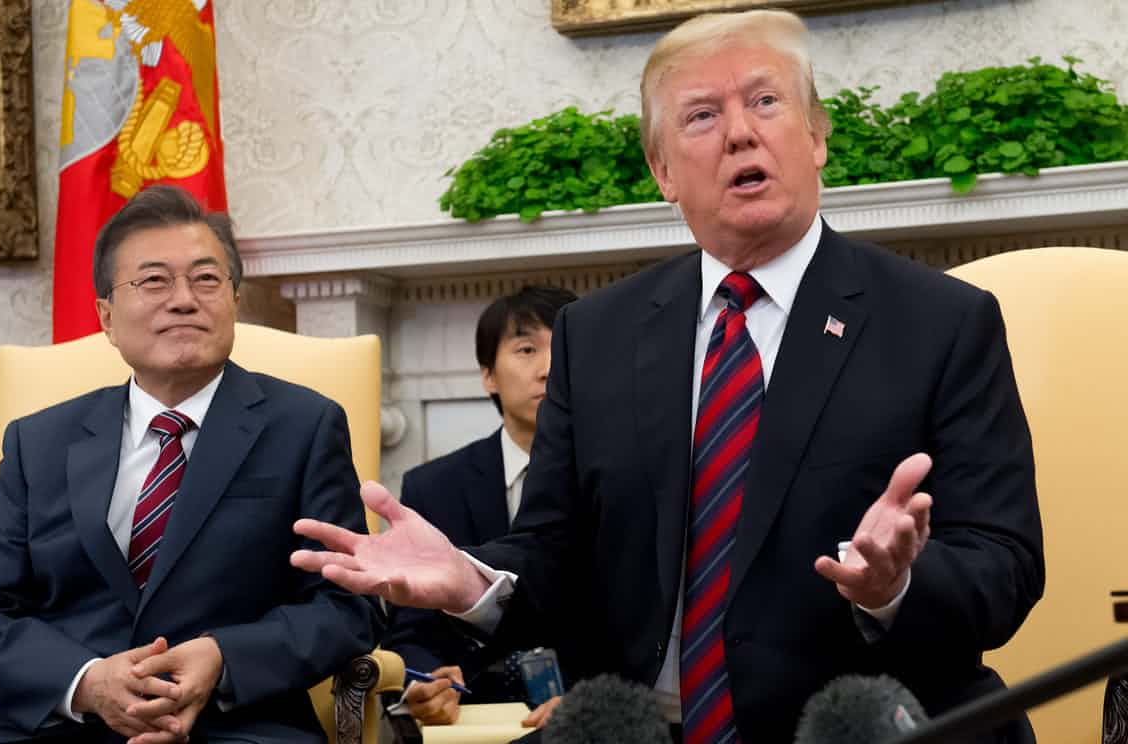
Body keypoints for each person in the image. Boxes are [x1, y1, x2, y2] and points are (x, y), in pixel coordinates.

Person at [291, 10, 1044, 744]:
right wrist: (471, 580)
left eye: (765, 100)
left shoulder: (941, 322)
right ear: (662, 172)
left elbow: (1004, 565)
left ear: (816, 137)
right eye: (702, 116)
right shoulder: (598, 334)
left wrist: (895, 588)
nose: (741, 131)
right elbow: (555, 554)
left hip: (863, 725)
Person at [0, 185, 382, 744]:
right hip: (63, 724)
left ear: (235, 302)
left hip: (236, 723)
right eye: (153, 281)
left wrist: (223, 657)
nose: (183, 299)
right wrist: (85, 682)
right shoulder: (39, 441)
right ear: (106, 315)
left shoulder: (305, 425)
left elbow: (349, 607)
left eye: (206, 279)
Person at [383, 285, 576, 728]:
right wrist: (423, 682)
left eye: (563, 348)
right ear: (488, 373)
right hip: (469, 718)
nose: (547, 369)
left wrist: (593, 698)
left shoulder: (624, 479)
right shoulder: (433, 488)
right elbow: (408, 631)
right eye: (526, 349)